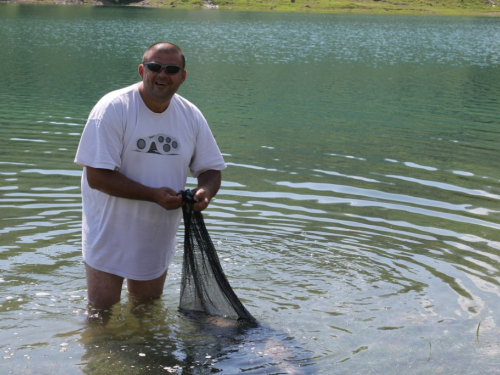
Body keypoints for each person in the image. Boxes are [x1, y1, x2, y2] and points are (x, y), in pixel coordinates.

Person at [74, 42, 226, 311]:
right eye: (155, 67)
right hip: (108, 234)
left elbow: (211, 169)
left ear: (183, 76)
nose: (162, 74)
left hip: (156, 235)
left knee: (147, 312)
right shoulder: (113, 108)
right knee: (101, 313)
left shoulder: (191, 115)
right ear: (142, 70)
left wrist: (206, 192)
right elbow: (96, 176)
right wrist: (152, 195)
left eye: (171, 69)